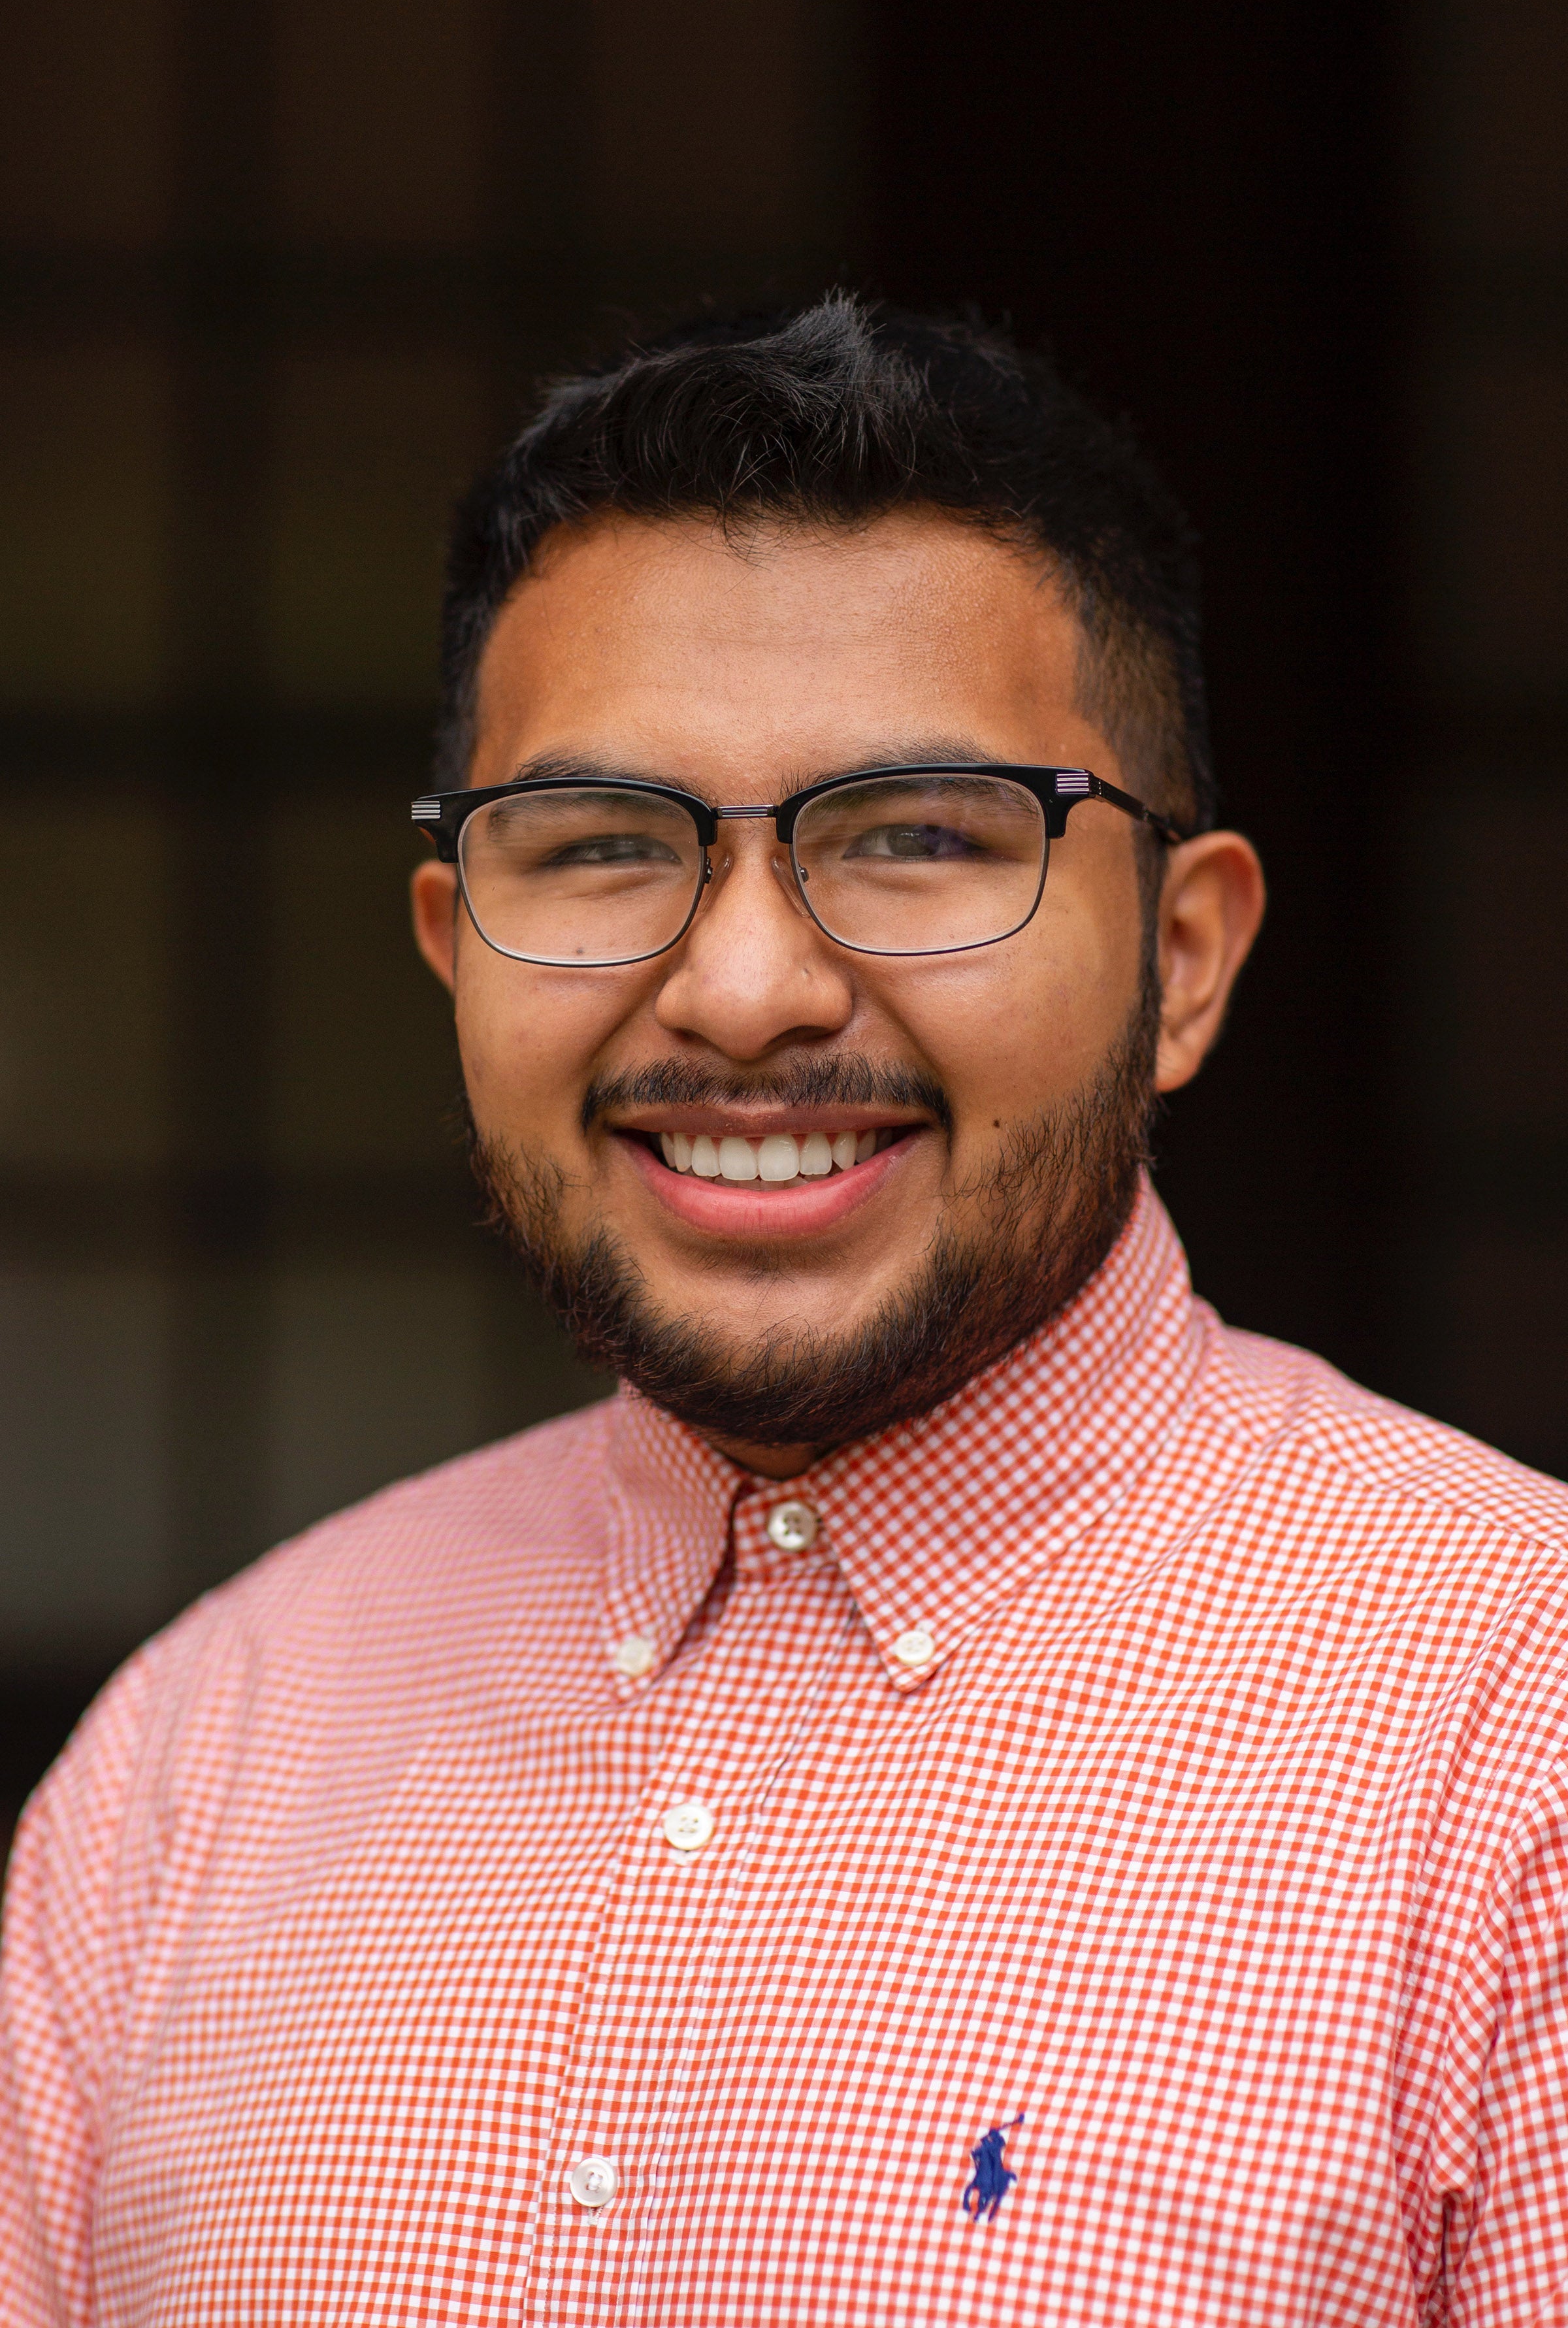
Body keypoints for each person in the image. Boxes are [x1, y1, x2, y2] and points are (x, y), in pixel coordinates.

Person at [4, 295, 1566, 2328]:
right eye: (595, 847)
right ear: (455, 946)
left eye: (916, 837)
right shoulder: (198, 1765)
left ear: (1184, 959)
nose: (746, 993)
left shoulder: (1515, 1747)